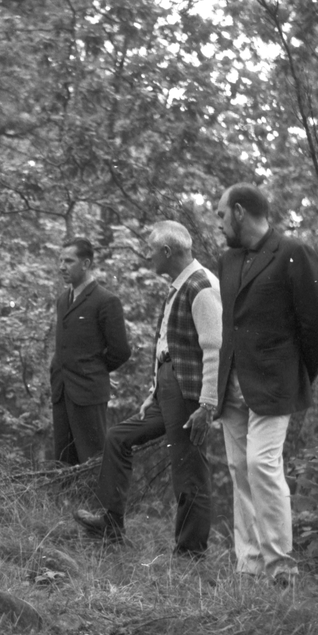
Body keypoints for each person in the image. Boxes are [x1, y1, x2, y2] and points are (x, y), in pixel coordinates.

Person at [74, 221, 220, 556]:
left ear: (167, 251)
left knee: (188, 469)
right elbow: (169, 346)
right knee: (118, 437)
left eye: (151, 250)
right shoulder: (178, 285)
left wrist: (207, 404)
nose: (147, 256)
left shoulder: (201, 286)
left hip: (189, 393)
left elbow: (214, 348)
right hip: (168, 388)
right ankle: (110, 524)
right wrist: (154, 393)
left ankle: (190, 554)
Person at [215, 183, 318, 581]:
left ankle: (281, 568)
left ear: (240, 212)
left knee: (261, 465)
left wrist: (298, 376)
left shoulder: (293, 252)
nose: (219, 223)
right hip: (231, 384)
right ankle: (249, 566)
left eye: (221, 214)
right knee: (239, 470)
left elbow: (316, 324)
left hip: (275, 384)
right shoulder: (227, 261)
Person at [50, 238, 131, 464]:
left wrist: (93, 369)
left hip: (88, 393)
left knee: (93, 461)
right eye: (60, 261)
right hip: (62, 392)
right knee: (64, 463)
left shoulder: (106, 301)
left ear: (86, 264)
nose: (62, 267)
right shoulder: (63, 300)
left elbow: (121, 351)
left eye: (69, 261)